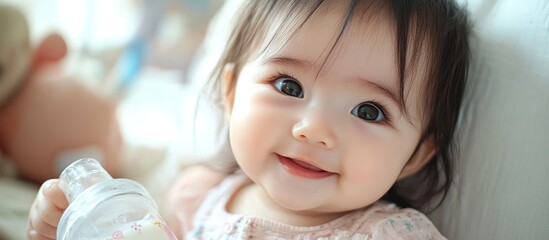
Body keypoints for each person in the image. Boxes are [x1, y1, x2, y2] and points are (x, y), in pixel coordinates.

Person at [27, 0, 470, 239]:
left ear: (417, 154)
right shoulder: (192, 199)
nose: (312, 129)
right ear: (232, 92)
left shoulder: (392, 236)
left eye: (369, 111)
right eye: (288, 86)